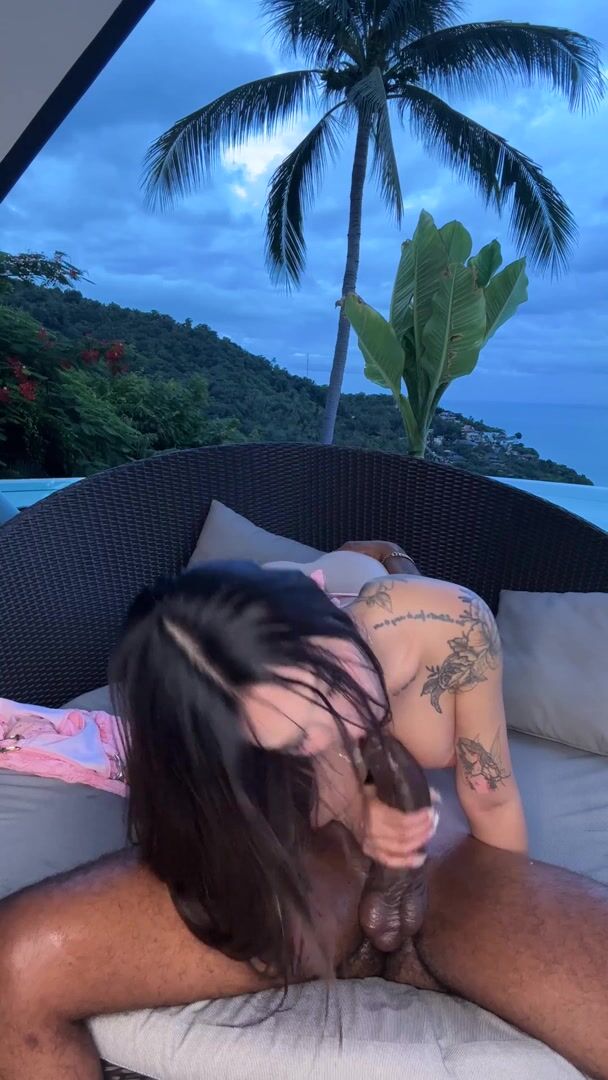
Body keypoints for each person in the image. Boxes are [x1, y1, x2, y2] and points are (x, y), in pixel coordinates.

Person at [1, 557, 608, 1080]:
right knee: (18, 963)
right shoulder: (216, 698)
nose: (345, 727)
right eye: (297, 739)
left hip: (439, 858)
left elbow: (492, 799)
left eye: (333, 682)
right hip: (300, 857)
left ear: (324, 608)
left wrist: (504, 919)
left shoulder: (448, 622)